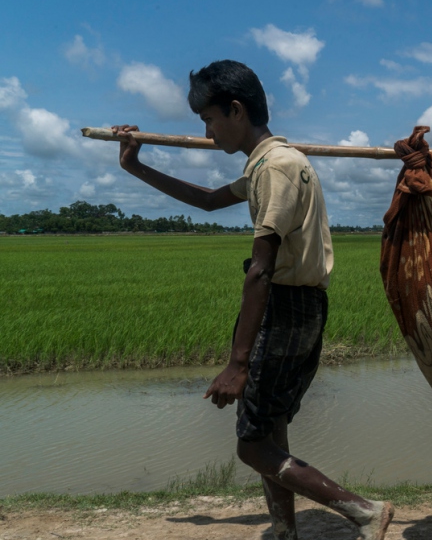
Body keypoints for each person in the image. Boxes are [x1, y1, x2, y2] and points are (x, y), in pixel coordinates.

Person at [112, 59, 393, 540]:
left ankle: (365, 511)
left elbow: (261, 269)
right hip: (301, 306)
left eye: (209, 119)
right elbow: (207, 200)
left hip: (285, 307)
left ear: (236, 111)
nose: (207, 130)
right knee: (271, 429)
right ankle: (285, 530)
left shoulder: (277, 168)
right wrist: (135, 166)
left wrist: (237, 363)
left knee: (252, 446)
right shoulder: (273, 163)